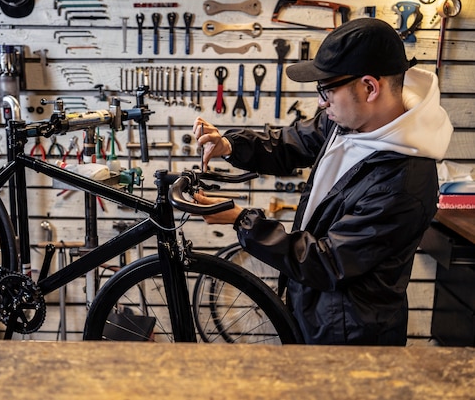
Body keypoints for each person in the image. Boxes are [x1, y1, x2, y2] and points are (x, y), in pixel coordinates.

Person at [192, 18, 453, 346]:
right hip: (314, 310)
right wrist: (230, 146)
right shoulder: (354, 121)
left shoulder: (403, 182)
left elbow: (327, 261)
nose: (321, 101)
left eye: (327, 89)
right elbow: (294, 141)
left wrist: (242, 221)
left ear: (370, 87)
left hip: (349, 336)